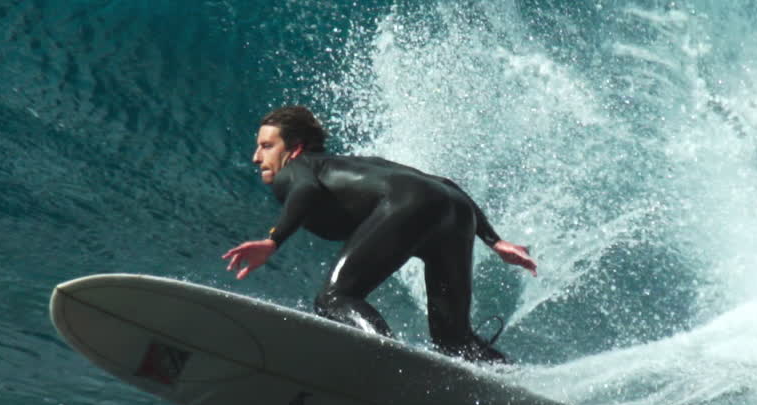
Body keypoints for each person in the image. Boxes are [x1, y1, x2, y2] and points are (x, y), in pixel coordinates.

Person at [222, 105, 537, 363]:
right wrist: (494, 241)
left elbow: (305, 190)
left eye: (266, 146)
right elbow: (445, 186)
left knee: (334, 298)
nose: (256, 157)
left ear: (296, 148)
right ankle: (508, 377)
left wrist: (272, 240)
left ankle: (388, 361)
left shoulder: (297, 168)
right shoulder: (358, 165)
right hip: (454, 209)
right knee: (452, 340)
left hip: (410, 205)